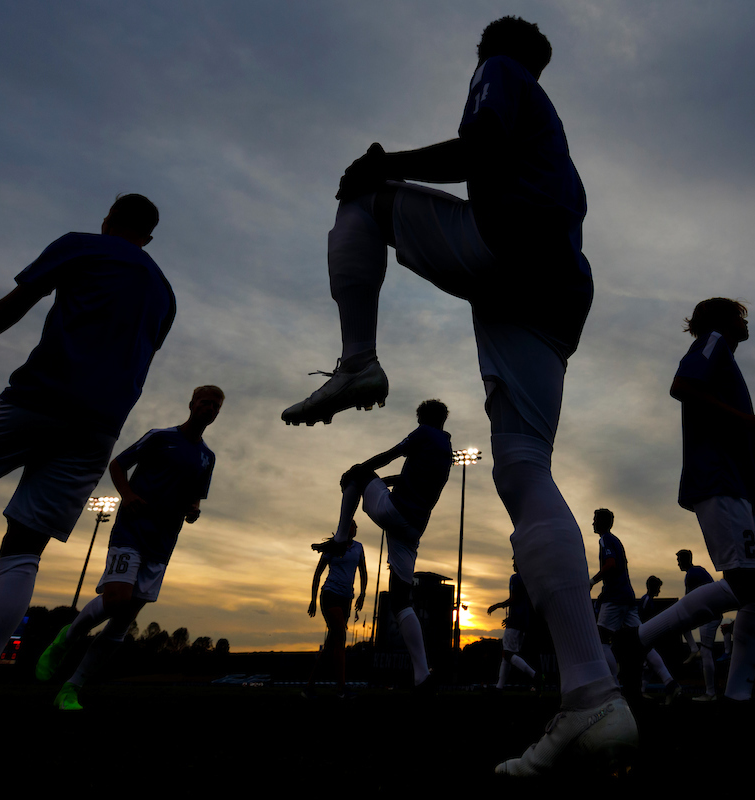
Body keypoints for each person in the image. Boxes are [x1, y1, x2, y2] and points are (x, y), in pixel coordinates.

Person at [283, 16, 634, 775]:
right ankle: (592, 695)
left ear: (489, 52)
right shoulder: (553, 137)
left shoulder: (501, 70)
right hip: (557, 291)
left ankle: (357, 360)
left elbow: (478, 149)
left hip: (513, 253)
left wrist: (387, 161)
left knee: (366, 198)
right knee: (521, 470)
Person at [0, 194, 175, 734]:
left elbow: (15, 303)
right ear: (151, 237)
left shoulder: (82, 246)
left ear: (109, 220)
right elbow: (140, 354)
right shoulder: (165, 292)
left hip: (41, 395)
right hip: (99, 425)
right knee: (23, 552)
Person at [619, 298, 755, 702]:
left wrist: (752, 430)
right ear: (723, 321)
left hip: (745, 487)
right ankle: (636, 640)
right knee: (746, 583)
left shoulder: (725, 358)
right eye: (740, 316)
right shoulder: (712, 341)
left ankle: (737, 696)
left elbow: (715, 409)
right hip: (720, 478)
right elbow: (681, 387)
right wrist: (748, 423)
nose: (746, 322)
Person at [34, 386, 223, 710]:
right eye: (204, 402)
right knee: (116, 600)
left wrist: (193, 510)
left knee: (124, 620)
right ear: (191, 404)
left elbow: (196, 495)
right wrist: (128, 495)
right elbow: (118, 464)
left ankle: (72, 688)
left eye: (215, 406)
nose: (209, 408)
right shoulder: (160, 437)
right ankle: (66, 638)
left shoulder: (208, 457)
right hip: (132, 530)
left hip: (162, 543)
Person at [314, 399, 452, 690]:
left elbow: (390, 455)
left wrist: (360, 472)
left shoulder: (423, 434)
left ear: (422, 419)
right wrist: (384, 482)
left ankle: (340, 537)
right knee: (402, 601)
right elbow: (407, 476)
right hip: (413, 528)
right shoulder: (445, 450)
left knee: (356, 472)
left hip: (395, 511)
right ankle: (421, 674)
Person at [303, 519, 368, 699]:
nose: (355, 528)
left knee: (332, 643)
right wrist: (313, 600)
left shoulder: (359, 548)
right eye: (352, 525)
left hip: (347, 598)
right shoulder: (333, 547)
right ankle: (341, 689)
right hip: (330, 595)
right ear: (345, 528)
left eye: (356, 526)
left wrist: (362, 594)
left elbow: (363, 571)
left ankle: (309, 687)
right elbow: (318, 573)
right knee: (340, 639)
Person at [676, 550, 722, 701]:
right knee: (683, 624)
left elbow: (688, 601)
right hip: (709, 613)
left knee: (706, 652)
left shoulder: (691, 574)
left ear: (684, 560)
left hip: (709, 615)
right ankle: (694, 649)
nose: (677, 563)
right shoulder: (698, 571)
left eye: (678, 560)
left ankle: (710, 693)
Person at [487, 557, 539, 690]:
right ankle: (499, 687)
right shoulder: (529, 579)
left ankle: (534, 676)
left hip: (516, 621)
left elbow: (514, 599)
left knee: (507, 654)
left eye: (514, 561)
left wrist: (497, 605)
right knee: (508, 654)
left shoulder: (515, 578)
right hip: (523, 621)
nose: (513, 564)